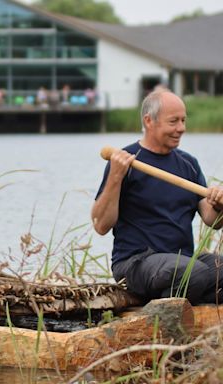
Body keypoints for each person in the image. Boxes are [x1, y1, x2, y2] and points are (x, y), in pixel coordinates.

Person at [92, 89, 223, 305]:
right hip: (136, 262)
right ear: (149, 121)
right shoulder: (126, 162)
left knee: (194, 271)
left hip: (183, 262)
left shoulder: (188, 164)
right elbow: (101, 225)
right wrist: (115, 176)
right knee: (193, 274)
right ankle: (163, 313)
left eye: (183, 120)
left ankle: (184, 302)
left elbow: (213, 221)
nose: (181, 128)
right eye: (173, 121)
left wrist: (218, 205)